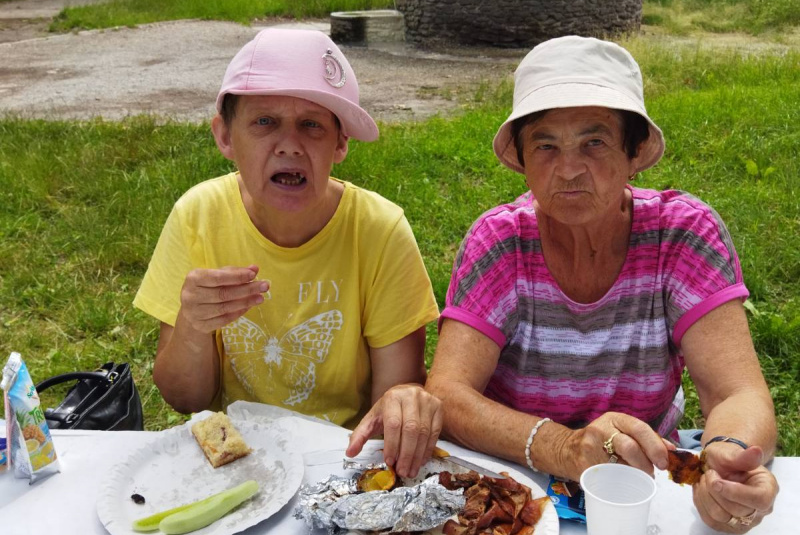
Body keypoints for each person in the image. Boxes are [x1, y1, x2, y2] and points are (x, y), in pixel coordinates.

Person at [426, 36, 778, 532]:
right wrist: (564, 448)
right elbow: (448, 392)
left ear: (634, 153)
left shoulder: (682, 234)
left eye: (594, 142)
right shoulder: (500, 242)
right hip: (514, 485)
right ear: (523, 160)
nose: (568, 170)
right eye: (545, 145)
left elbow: (736, 392)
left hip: (642, 485)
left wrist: (729, 460)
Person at [134, 29, 442, 478]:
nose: (290, 144)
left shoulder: (380, 229)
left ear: (340, 143)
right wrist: (192, 326)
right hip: (237, 457)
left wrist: (404, 405)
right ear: (225, 136)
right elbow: (185, 399)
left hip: (344, 458)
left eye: (312, 125)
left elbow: (392, 400)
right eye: (264, 122)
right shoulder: (198, 216)